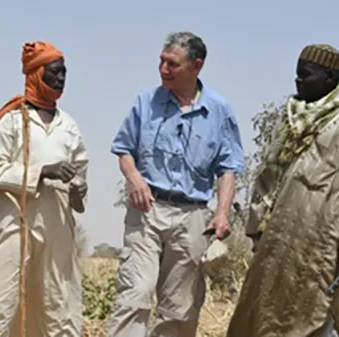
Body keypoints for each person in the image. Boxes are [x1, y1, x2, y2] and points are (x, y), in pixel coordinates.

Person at [226, 44, 339, 337]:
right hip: (277, 233)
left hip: (320, 238)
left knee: (314, 310)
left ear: (329, 78)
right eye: (296, 75)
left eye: (305, 75)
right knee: (262, 310)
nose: (298, 81)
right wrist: (256, 224)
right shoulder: (290, 116)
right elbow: (268, 172)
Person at [107, 31, 245, 337]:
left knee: (180, 307)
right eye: (161, 61)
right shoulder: (145, 102)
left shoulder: (220, 111)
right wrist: (134, 178)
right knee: (136, 293)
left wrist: (222, 213)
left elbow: (228, 168)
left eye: (172, 64)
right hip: (148, 210)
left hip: (193, 216)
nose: (163, 69)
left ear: (196, 66)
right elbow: (123, 149)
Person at [0, 41, 89, 337]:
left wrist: (79, 192)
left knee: (58, 299)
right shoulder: (14, 120)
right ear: (35, 74)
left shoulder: (68, 126)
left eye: (65, 72)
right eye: (55, 72)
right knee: (2, 299)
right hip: (15, 221)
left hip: (57, 224)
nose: (61, 79)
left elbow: (81, 174)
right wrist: (42, 172)